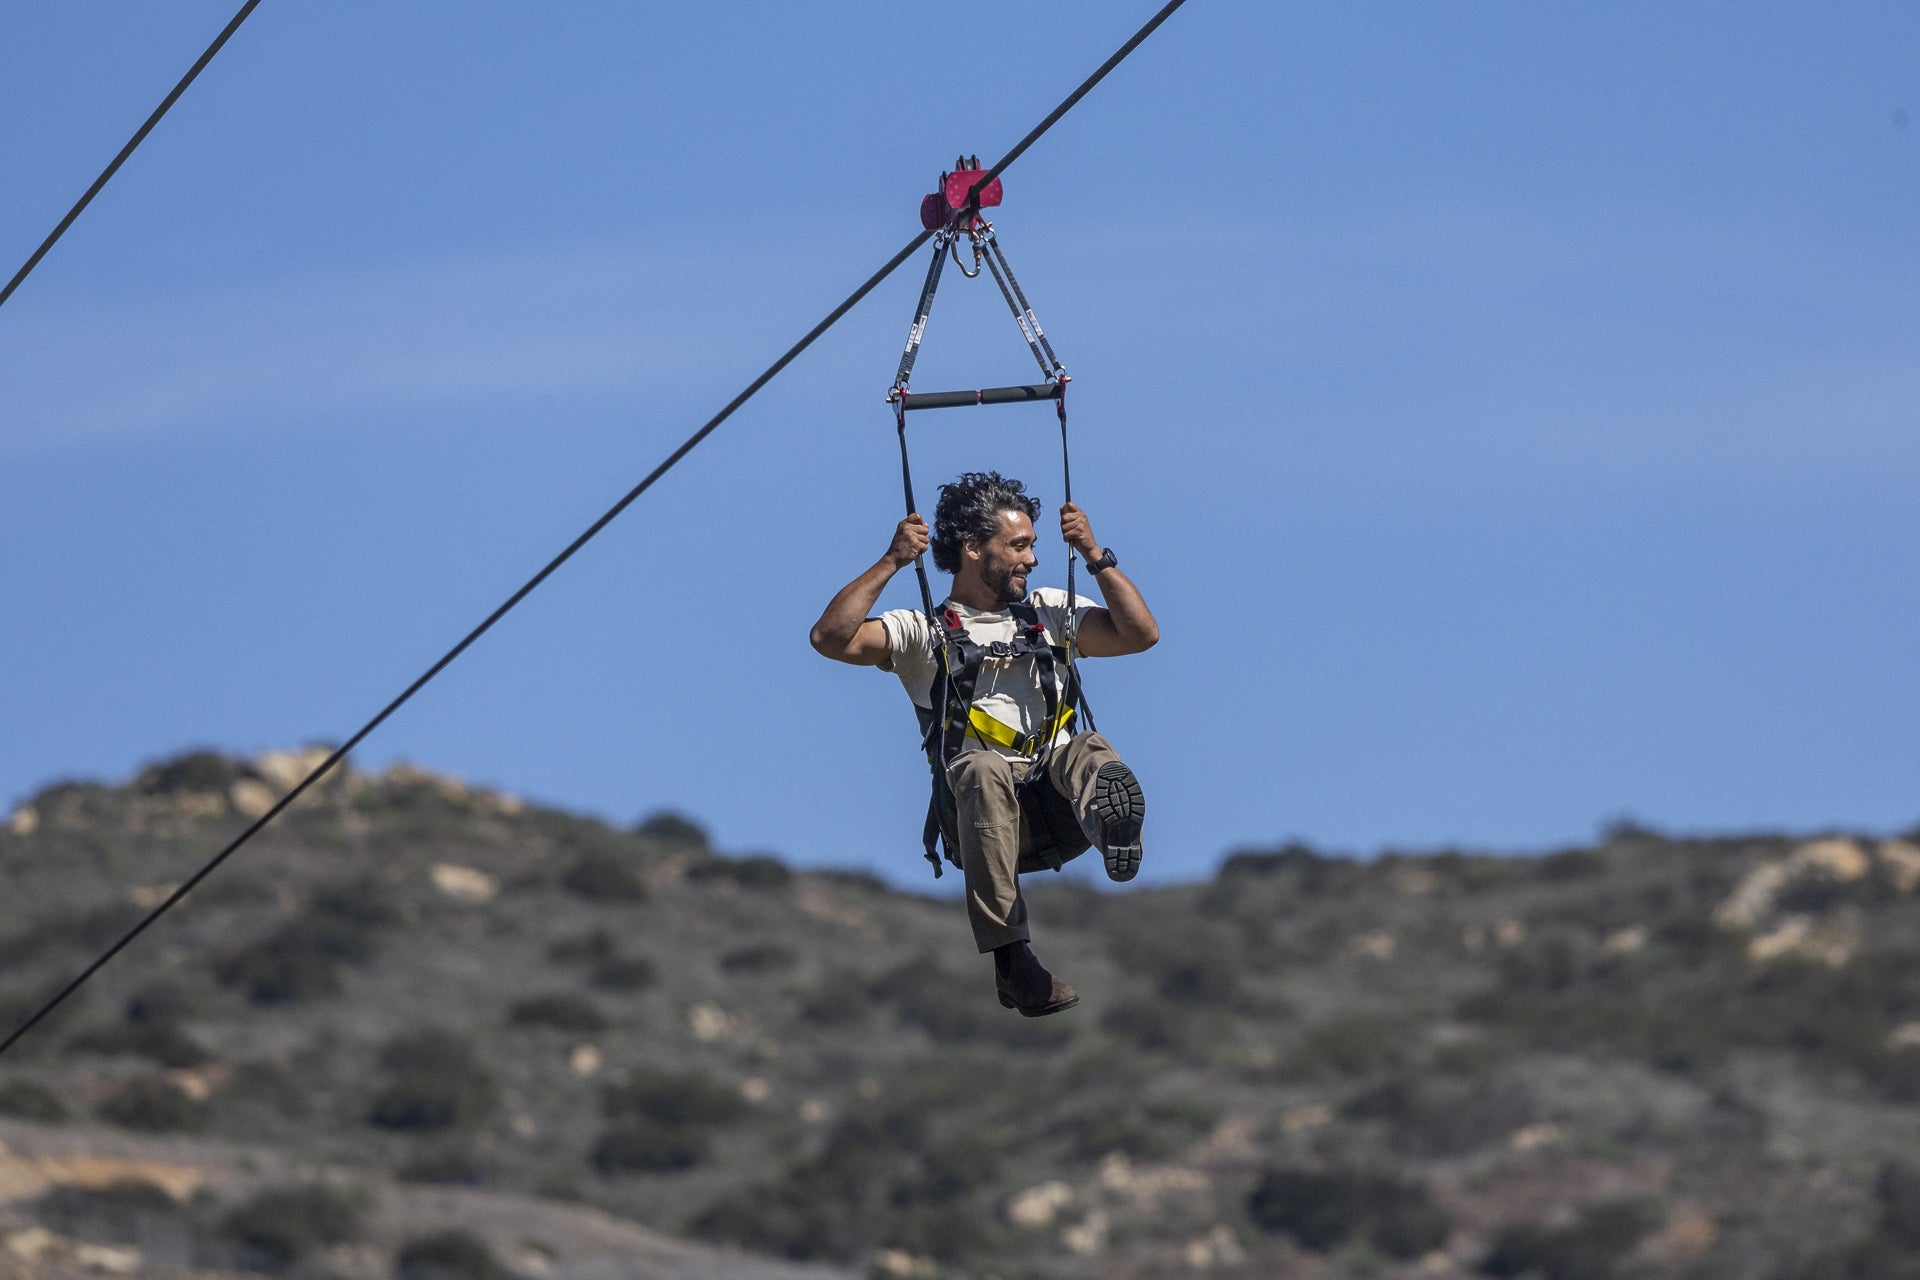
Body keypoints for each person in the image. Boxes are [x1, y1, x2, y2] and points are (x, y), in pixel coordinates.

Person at [810, 471, 1159, 1017]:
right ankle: (1012, 959)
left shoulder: (1049, 611)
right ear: (973, 549)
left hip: (1059, 805)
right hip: (980, 818)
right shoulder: (922, 632)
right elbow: (830, 639)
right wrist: (891, 561)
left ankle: (1112, 830)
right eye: (1019, 546)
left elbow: (1140, 635)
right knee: (983, 767)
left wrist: (1093, 552)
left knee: (1087, 747)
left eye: (1035, 546)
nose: (1032, 560)